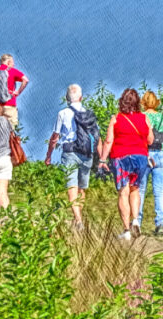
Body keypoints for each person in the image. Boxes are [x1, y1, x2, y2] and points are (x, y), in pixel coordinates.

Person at [46, 84, 103, 228]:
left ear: (67, 98)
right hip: (87, 154)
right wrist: (102, 158)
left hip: (70, 152)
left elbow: (55, 137)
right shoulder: (89, 114)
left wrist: (49, 155)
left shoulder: (63, 113)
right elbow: (98, 137)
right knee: (81, 189)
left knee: (72, 187)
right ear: (81, 98)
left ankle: (78, 220)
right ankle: (78, 218)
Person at [99, 88, 153, 240]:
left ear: (122, 102)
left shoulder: (116, 118)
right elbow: (150, 140)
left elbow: (109, 141)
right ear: (137, 103)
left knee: (123, 192)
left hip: (121, 158)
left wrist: (102, 160)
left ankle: (126, 230)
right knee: (135, 189)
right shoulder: (144, 118)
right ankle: (136, 219)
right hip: (140, 157)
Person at [134, 90, 163, 235]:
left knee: (140, 190)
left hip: (145, 153)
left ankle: (137, 220)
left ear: (143, 102)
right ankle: (160, 223)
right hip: (161, 154)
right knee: (159, 191)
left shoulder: (142, 117)